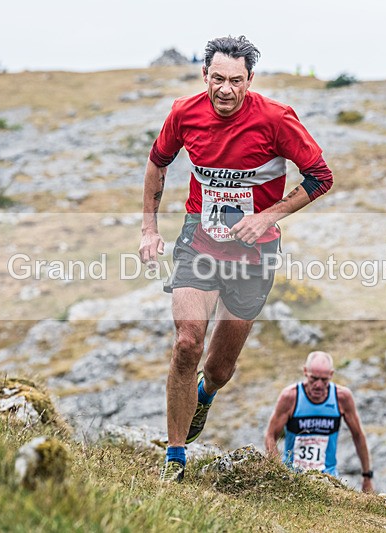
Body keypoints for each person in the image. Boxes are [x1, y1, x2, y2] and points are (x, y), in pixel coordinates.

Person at [139, 35, 334, 483]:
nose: (226, 90)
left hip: (254, 253)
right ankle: (175, 458)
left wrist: (268, 216)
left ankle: (204, 394)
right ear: (204, 75)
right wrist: (149, 228)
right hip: (199, 241)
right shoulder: (184, 113)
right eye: (218, 79)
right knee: (187, 342)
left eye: (236, 81)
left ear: (250, 80)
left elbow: (321, 177)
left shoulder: (276, 119)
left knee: (219, 367)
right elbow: (157, 164)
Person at [264, 352, 373, 493]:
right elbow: (270, 435)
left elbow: (358, 436)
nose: (318, 385)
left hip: (328, 478)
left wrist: (367, 477)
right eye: (314, 379)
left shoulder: (342, 397)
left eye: (324, 380)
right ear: (305, 372)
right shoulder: (290, 396)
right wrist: (278, 471)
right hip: (293, 477)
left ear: (331, 375)